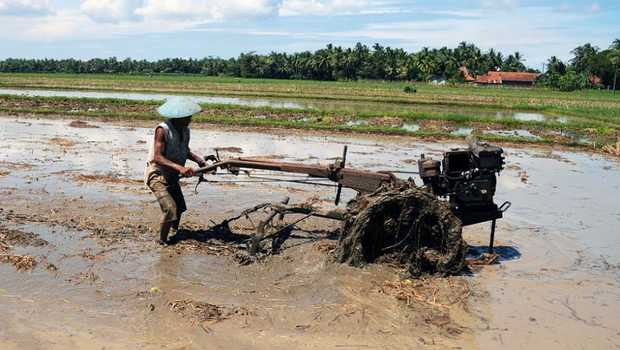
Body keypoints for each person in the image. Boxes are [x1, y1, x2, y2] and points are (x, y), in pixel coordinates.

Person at [144, 97, 213, 245]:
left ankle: (174, 233)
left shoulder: (185, 130)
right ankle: (162, 241)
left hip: (173, 175)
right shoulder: (162, 130)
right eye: (187, 117)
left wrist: (198, 160)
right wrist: (181, 168)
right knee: (170, 209)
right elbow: (157, 157)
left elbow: (184, 150)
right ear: (178, 117)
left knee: (180, 207)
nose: (190, 119)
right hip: (157, 175)